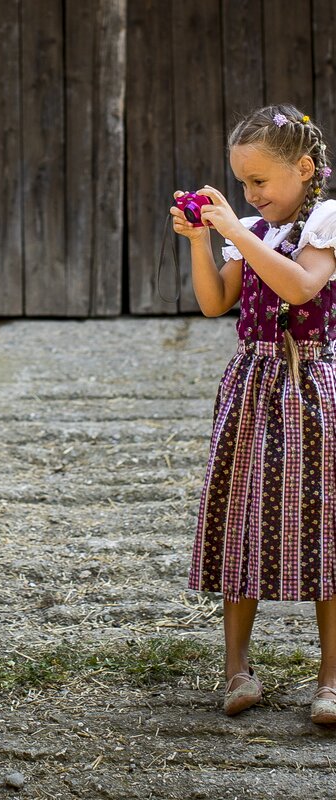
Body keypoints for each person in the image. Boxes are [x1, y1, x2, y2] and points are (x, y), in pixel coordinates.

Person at [171, 103, 336, 722]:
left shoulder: (326, 222)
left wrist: (238, 233)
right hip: (253, 384)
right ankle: (237, 670)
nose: (250, 194)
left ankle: (331, 679)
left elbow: (300, 286)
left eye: (260, 180)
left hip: (312, 384)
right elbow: (216, 302)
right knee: (243, 516)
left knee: (326, 524)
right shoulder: (252, 229)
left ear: (304, 168)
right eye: (242, 182)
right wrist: (201, 242)